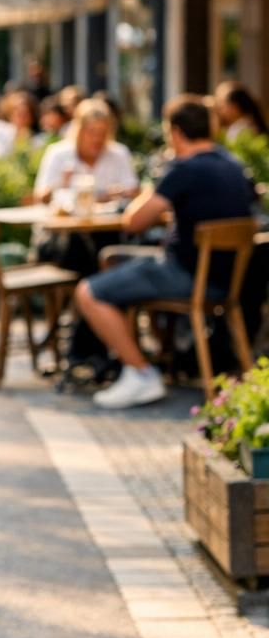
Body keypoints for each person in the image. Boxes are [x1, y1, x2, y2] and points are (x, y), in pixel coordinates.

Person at [75, 95, 257, 409]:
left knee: (88, 292)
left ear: (174, 132)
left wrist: (158, 180)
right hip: (230, 281)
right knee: (115, 260)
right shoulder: (232, 164)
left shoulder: (183, 170)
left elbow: (133, 221)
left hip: (189, 276)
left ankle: (140, 373)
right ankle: (153, 354)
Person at [34, 98, 138, 203]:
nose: (97, 138)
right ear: (79, 131)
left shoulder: (119, 153)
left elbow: (133, 190)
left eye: (102, 132)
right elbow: (40, 196)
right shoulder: (57, 153)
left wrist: (119, 192)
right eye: (91, 132)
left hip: (110, 219)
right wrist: (62, 186)